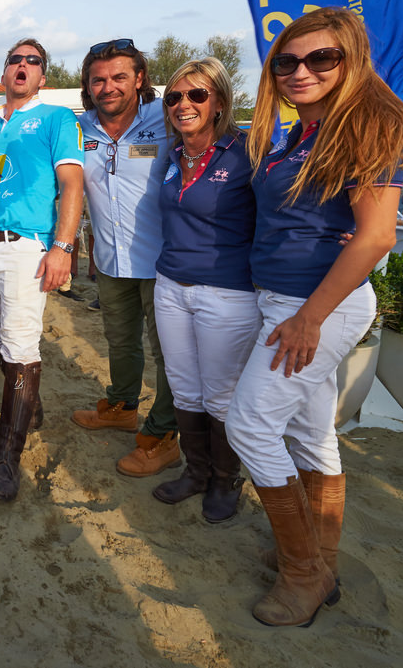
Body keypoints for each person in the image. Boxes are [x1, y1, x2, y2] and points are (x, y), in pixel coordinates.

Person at [226, 8, 403, 627]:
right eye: (286, 61)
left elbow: (376, 237)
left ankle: (304, 572)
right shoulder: (299, 134)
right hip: (285, 300)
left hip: (317, 307)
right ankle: (321, 559)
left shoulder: (365, 126)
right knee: (310, 434)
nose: (300, 71)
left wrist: (310, 317)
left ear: (351, 61)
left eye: (321, 58)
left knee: (251, 426)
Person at [0, 40, 84, 501]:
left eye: (32, 62)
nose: (22, 66)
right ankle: (29, 406)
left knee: (20, 344)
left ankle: (7, 456)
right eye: (14, 60)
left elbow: (72, 183)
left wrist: (63, 246)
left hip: (27, 248)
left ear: (43, 78)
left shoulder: (56, 118)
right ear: (3, 74)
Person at [150, 59, 259, 524]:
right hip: (171, 285)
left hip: (228, 293)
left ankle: (224, 479)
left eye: (196, 95)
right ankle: (196, 473)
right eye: (173, 97)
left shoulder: (247, 152)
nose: (183, 105)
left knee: (220, 396)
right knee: (184, 389)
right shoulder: (173, 155)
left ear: (219, 101)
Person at [71, 38, 179, 478]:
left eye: (119, 77)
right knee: (120, 341)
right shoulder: (79, 128)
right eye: (99, 79)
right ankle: (121, 406)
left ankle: (163, 434)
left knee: (169, 354)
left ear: (139, 79)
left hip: (165, 262)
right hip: (111, 261)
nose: (108, 86)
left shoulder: (167, 117)